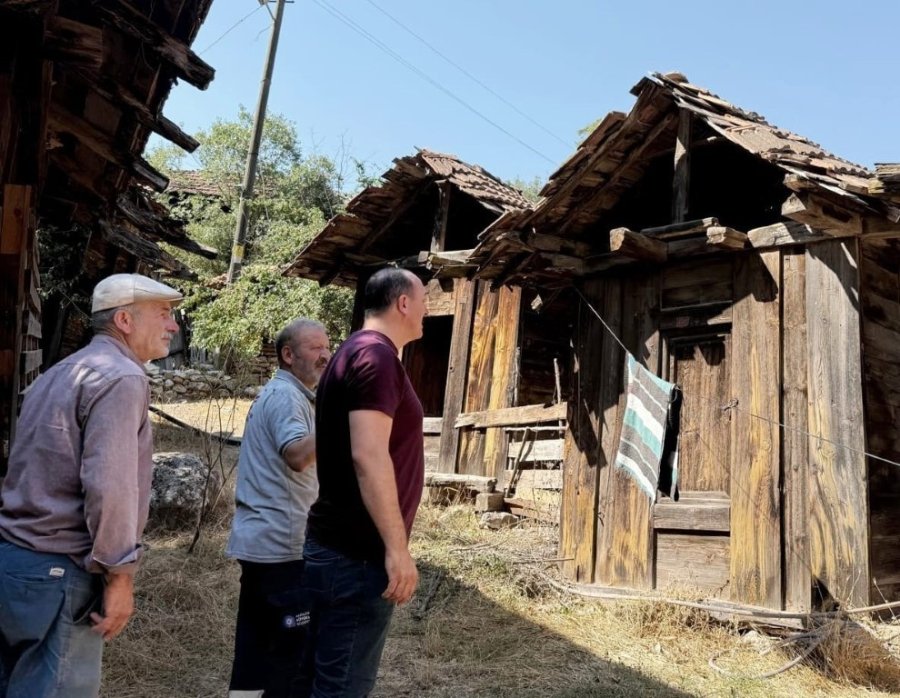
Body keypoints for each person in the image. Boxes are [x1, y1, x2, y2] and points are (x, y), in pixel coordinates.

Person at [0, 273, 182, 698]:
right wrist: (120, 576)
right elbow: (111, 486)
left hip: (15, 562)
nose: (173, 325)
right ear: (124, 320)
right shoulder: (121, 378)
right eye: (164, 314)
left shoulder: (60, 372)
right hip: (58, 573)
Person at [298, 267, 428, 697]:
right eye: (423, 299)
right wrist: (396, 548)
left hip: (337, 548)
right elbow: (368, 455)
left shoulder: (354, 350)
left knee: (318, 677)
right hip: (356, 556)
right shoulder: (377, 357)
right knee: (341, 687)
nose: (427, 309)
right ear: (403, 303)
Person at [226, 318, 331, 698]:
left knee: (255, 654)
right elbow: (298, 456)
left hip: (262, 544)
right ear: (288, 355)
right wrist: (339, 419)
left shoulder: (285, 394)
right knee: (288, 661)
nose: (325, 355)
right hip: (282, 547)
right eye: (315, 348)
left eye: (327, 346)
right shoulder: (287, 397)